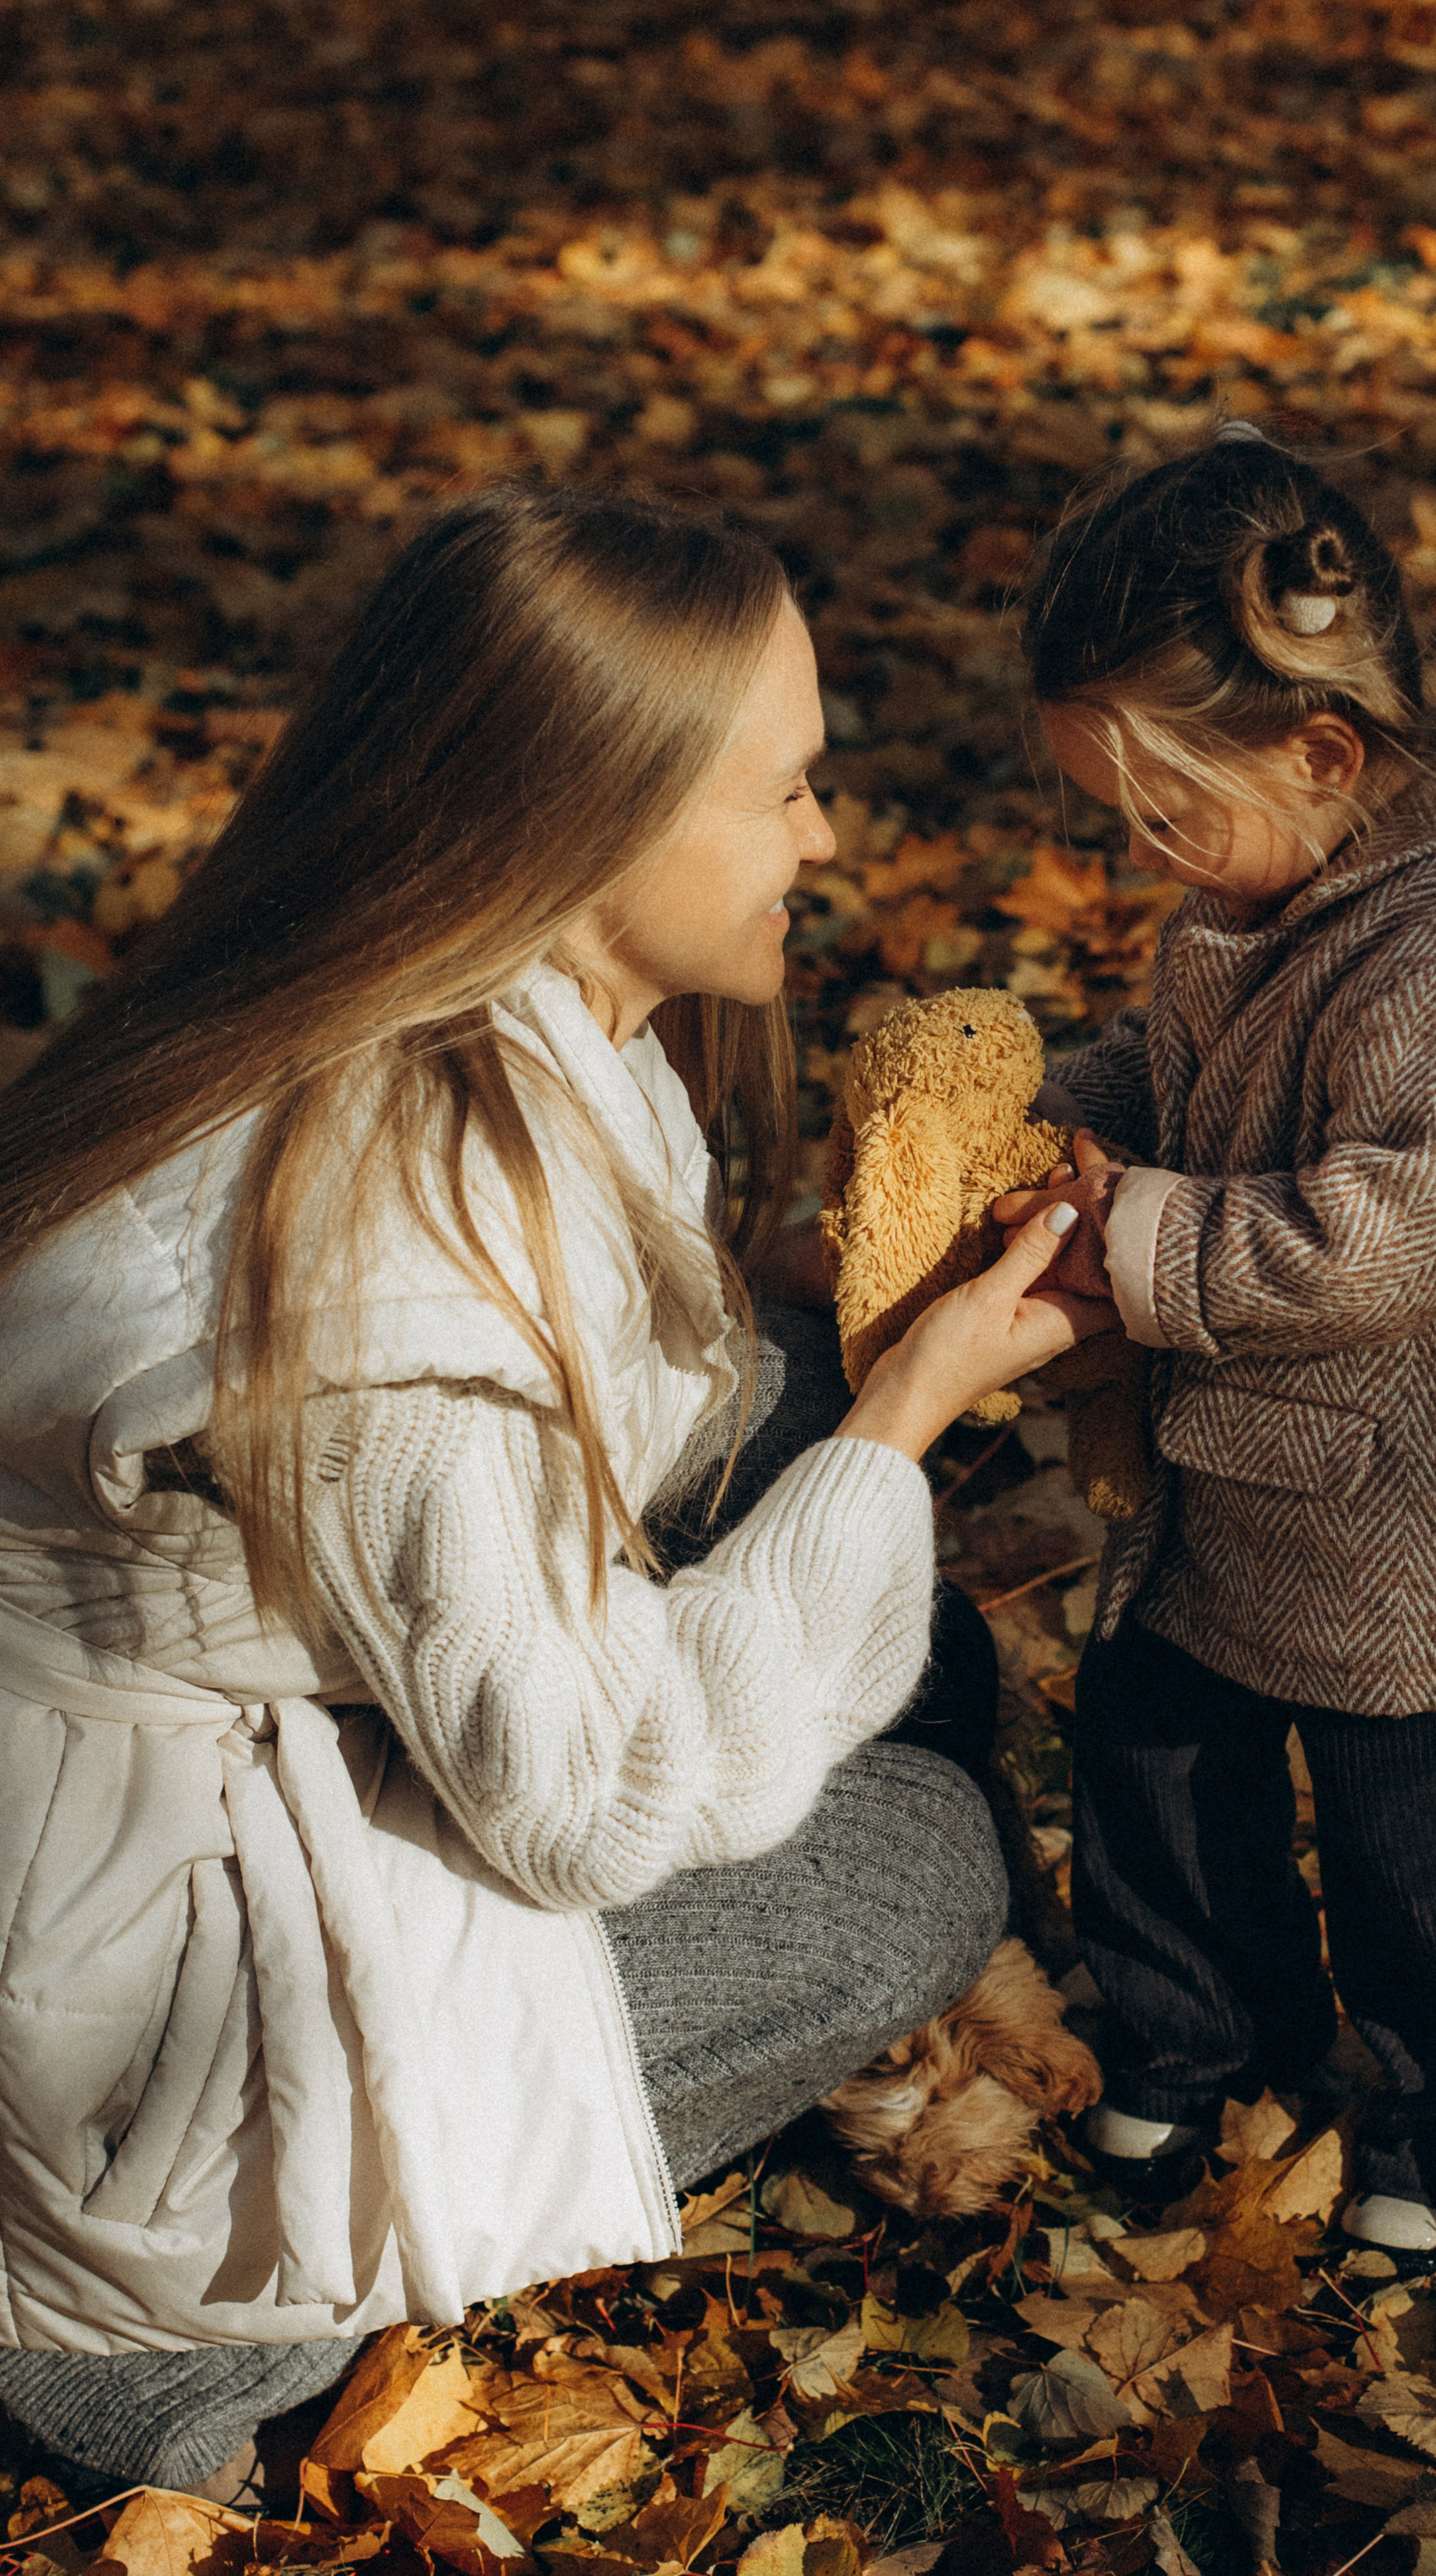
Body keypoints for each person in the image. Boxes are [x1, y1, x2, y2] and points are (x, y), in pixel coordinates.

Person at [0, 486, 1105, 2496]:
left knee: (778, 1403)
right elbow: (587, 1803)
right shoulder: (405, 1251)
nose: (828, 840)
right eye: (787, 793)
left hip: (198, 1750)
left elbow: (618, 1383)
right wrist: (910, 1412)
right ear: (595, 820)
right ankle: (162, 2350)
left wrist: (835, 1344)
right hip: (139, 1997)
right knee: (919, 1859)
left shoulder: (422, 1005)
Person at [994, 423, 1436, 2251]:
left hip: (1429, 1528)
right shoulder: (1252, 893)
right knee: (1160, 1768)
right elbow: (1180, 1083)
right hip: (1242, 1488)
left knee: (1435, 1843)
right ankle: (1202, 2050)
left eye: (1163, 812)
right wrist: (1065, 1117)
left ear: (1324, 753)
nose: (1147, 857)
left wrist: (1139, 1239)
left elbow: (1393, 1230)